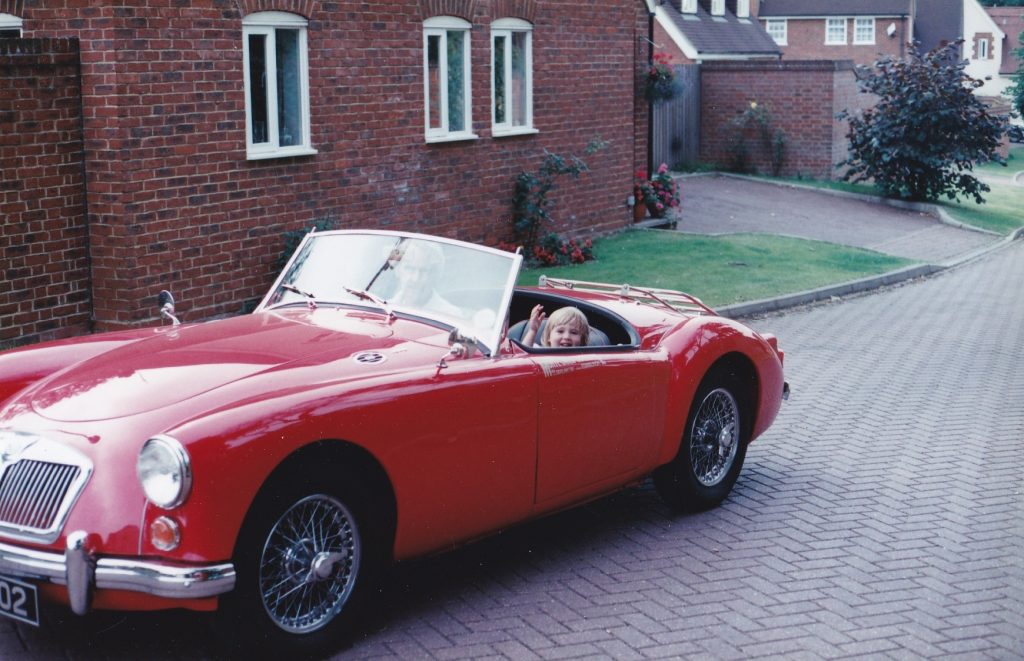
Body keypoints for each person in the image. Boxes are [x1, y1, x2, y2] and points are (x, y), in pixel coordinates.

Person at [388, 240, 462, 317]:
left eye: (424, 271)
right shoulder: (384, 307)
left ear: (435, 275)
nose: (415, 279)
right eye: (409, 268)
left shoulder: (450, 315)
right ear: (397, 270)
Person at [521, 304, 589, 348]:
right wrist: (533, 330)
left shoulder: (583, 359)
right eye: (560, 331)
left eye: (574, 332)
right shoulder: (540, 352)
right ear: (549, 337)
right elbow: (523, 356)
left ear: (582, 340)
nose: (567, 337)